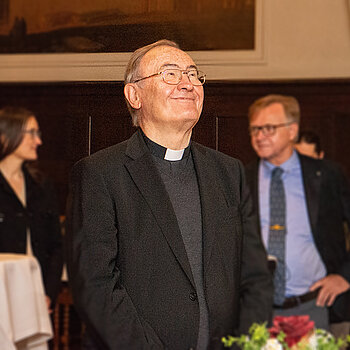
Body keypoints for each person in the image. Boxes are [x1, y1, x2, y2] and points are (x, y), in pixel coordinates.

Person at [66, 39, 273, 350]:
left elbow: (255, 276)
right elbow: (95, 286)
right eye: (170, 73)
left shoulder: (229, 172)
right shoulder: (100, 174)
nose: (187, 84)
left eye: (193, 74)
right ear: (134, 95)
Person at [245, 94, 350, 331]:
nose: (259, 136)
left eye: (269, 128)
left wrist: (345, 276)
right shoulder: (241, 178)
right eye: (254, 129)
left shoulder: (327, 175)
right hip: (257, 309)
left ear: (292, 131)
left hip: (315, 305)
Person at [0, 106, 63, 311]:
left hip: (35, 295)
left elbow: (56, 245)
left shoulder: (41, 186)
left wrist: (48, 293)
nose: (39, 141)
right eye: (32, 133)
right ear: (7, 135)